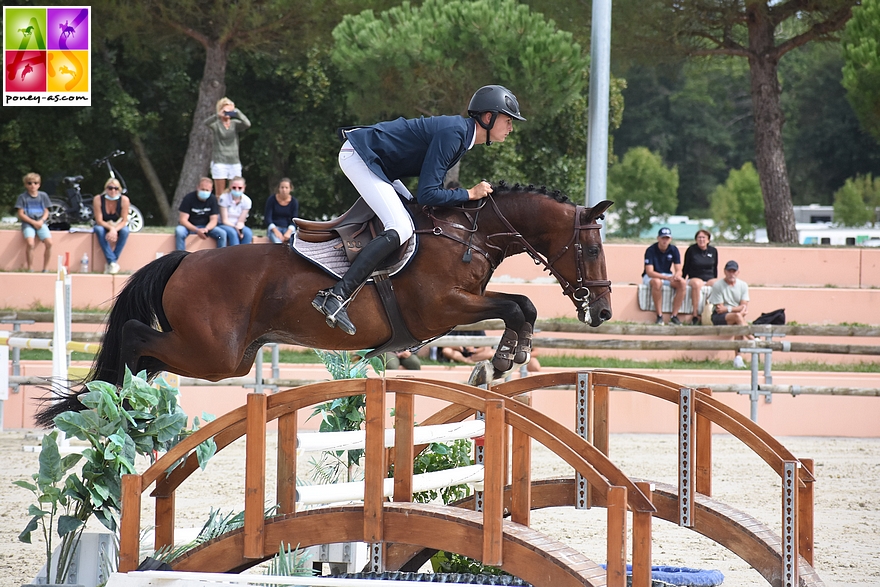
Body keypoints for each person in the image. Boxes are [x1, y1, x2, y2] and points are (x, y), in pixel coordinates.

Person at [312, 84, 526, 335]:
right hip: (360, 156)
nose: (511, 127)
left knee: (411, 214)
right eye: (508, 120)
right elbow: (428, 194)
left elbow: (424, 196)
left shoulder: (460, 136)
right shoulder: (454, 134)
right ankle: (336, 296)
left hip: (379, 165)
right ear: (488, 118)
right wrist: (469, 193)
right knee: (400, 227)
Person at [707, 260, 752, 368]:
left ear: (737, 272)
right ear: (725, 272)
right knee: (738, 317)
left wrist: (728, 308)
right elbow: (719, 309)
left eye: (733, 271)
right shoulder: (718, 285)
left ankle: (738, 358)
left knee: (738, 322)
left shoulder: (743, 285)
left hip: (734, 315)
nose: (731, 273)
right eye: (729, 271)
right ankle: (753, 339)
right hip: (719, 317)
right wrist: (736, 309)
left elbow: (744, 306)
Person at [204, 97, 251, 196]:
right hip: (220, 161)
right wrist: (218, 115)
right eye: (227, 111)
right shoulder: (216, 124)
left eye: (231, 111)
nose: (228, 114)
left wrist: (237, 113)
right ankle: (219, 211)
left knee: (235, 191)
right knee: (220, 193)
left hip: (234, 161)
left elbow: (247, 124)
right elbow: (206, 123)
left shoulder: (235, 124)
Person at [643, 227, 686, 325]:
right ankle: (659, 315)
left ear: (670, 239)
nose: (665, 240)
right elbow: (649, 272)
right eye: (663, 238)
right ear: (658, 238)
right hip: (652, 276)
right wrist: (667, 278)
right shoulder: (651, 250)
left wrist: (677, 276)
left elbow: (679, 270)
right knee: (657, 282)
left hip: (667, 275)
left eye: (667, 238)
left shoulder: (673, 249)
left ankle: (674, 316)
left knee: (682, 283)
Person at [14, 172, 53, 272]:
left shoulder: (43, 196)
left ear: (39, 184)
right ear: (26, 185)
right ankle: (30, 267)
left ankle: (46, 268)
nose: (33, 185)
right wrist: (33, 222)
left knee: (49, 243)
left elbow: (46, 211)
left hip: (41, 222)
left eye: (35, 183)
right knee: (30, 244)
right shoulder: (22, 197)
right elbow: (21, 214)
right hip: (28, 223)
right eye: (30, 183)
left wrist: (42, 220)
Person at [175, 177, 227, 250]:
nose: (204, 192)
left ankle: (221, 256)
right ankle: (180, 256)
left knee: (222, 234)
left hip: (206, 227)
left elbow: (214, 220)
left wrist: (206, 229)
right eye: (202, 189)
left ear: (211, 190)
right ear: (198, 188)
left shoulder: (212, 199)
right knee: (179, 231)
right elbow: (183, 220)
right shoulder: (188, 198)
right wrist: (196, 230)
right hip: (189, 227)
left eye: (207, 190)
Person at [92, 178, 131, 274]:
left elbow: (124, 220)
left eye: (116, 188)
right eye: (110, 188)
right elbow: (99, 220)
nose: (113, 191)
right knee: (99, 230)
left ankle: (111, 262)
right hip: (103, 224)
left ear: (119, 190)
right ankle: (113, 262)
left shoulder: (124, 200)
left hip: (118, 225)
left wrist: (114, 230)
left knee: (125, 231)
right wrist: (111, 229)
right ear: (106, 189)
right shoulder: (98, 199)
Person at [681, 229, 719, 324]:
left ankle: (713, 313)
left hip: (709, 277)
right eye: (699, 238)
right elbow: (686, 266)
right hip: (695, 277)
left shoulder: (713, 251)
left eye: (703, 238)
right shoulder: (691, 250)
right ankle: (695, 315)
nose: (701, 240)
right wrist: (682, 278)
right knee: (697, 284)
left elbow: (715, 267)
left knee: (718, 284)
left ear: (708, 240)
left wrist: (715, 278)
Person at [218, 176, 253, 246]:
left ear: (244, 188)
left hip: (238, 225)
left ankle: (245, 255)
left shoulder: (247, 201)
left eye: (239, 188)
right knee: (233, 233)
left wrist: (239, 228)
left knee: (248, 233)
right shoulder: (223, 198)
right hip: (224, 224)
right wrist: (236, 228)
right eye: (234, 187)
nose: (237, 190)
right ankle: (235, 255)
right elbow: (224, 220)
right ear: (230, 187)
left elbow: (241, 221)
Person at [265, 178, 299, 244]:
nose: (284, 190)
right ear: (279, 188)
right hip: (274, 228)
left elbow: (294, 219)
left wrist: (288, 232)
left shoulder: (294, 202)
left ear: (290, 189)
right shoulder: (271, 200)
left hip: (288, 228)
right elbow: (268, 218)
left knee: (293, 244)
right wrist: (276, 231)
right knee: (278, 243)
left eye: (286, 188)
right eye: (282, 187)